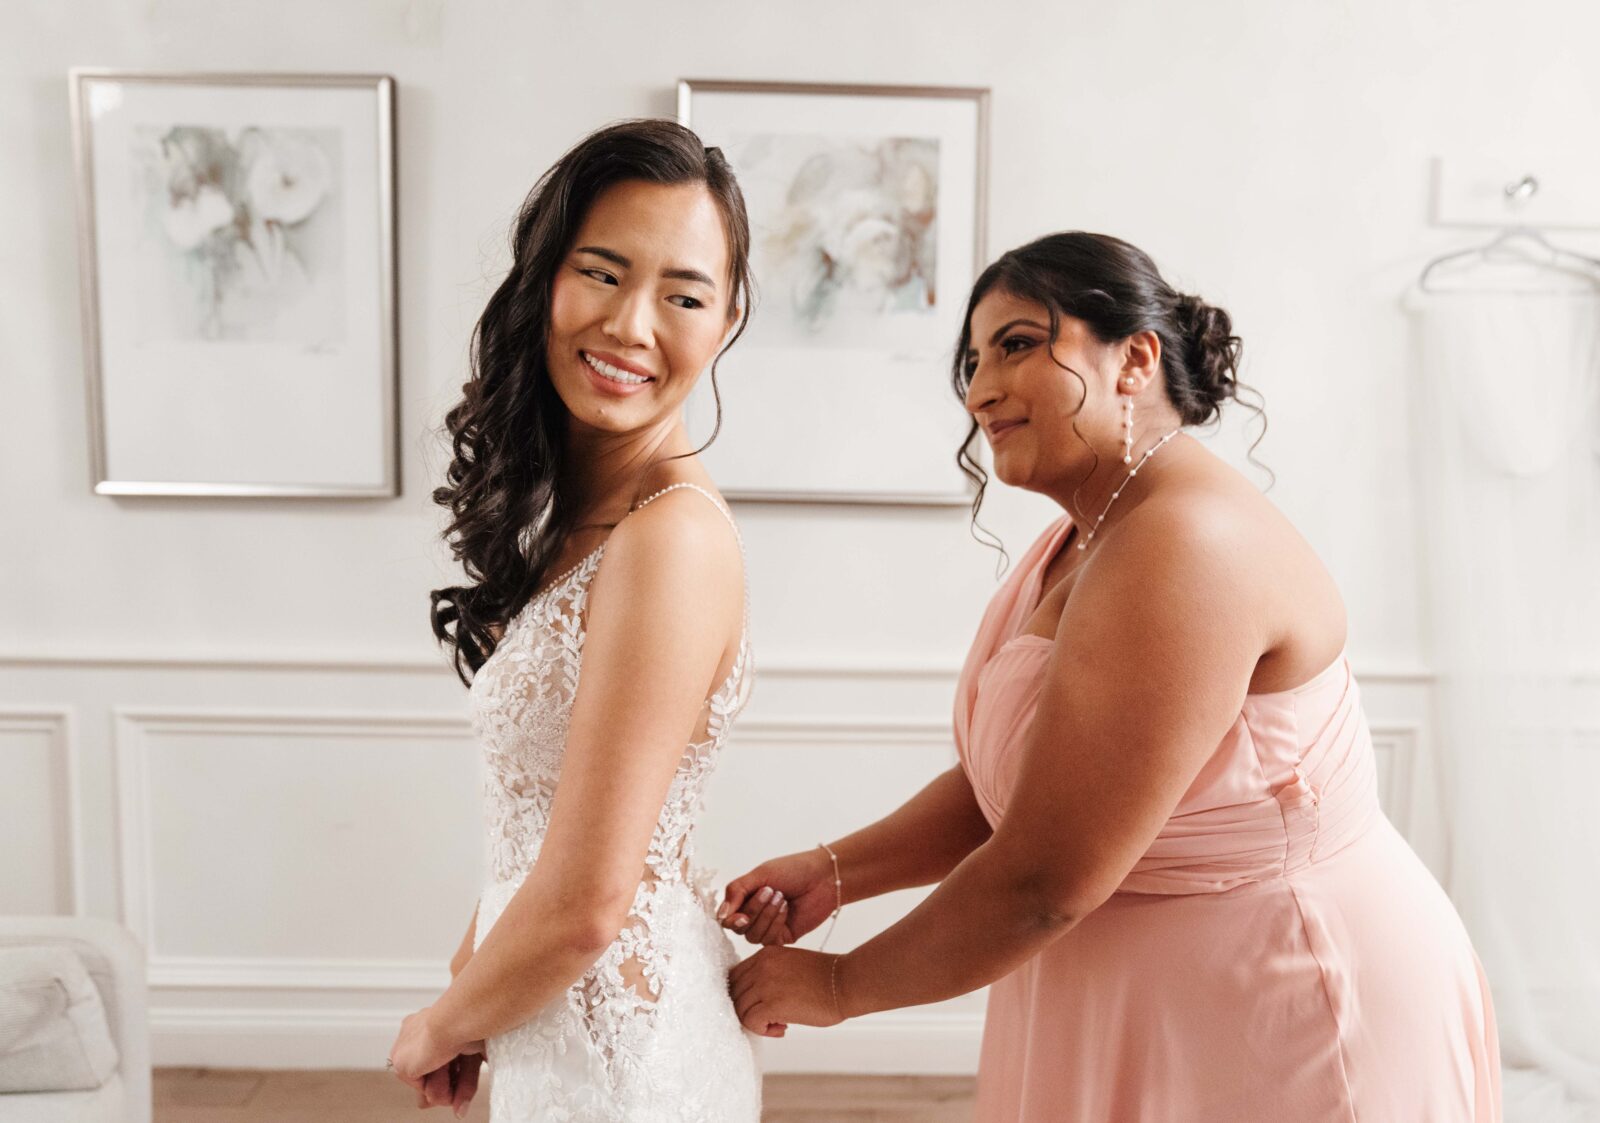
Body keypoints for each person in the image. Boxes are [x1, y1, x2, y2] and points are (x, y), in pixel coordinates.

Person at [719, 232, 1502, 1121]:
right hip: (1145, 1002)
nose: (978, 390)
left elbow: (1044, 875)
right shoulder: (1087, 534)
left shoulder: (1184, 545)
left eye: (1016, 344)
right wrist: (835, 870)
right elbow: (1021, 790)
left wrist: (838, 985)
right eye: (971, 362)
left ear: (1134, 357)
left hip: (1279, 1008)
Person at [387, 119, 762, 1122]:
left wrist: (440, 1024)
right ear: (544, 281)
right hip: (561, 1032)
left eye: (683, 295)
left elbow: (592, 901)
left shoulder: (671, 538)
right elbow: (542, 835)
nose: (632, 325)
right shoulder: (588, 524)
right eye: (601, 273)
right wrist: (473, 992)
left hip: (623, 1066)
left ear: (724, 322)